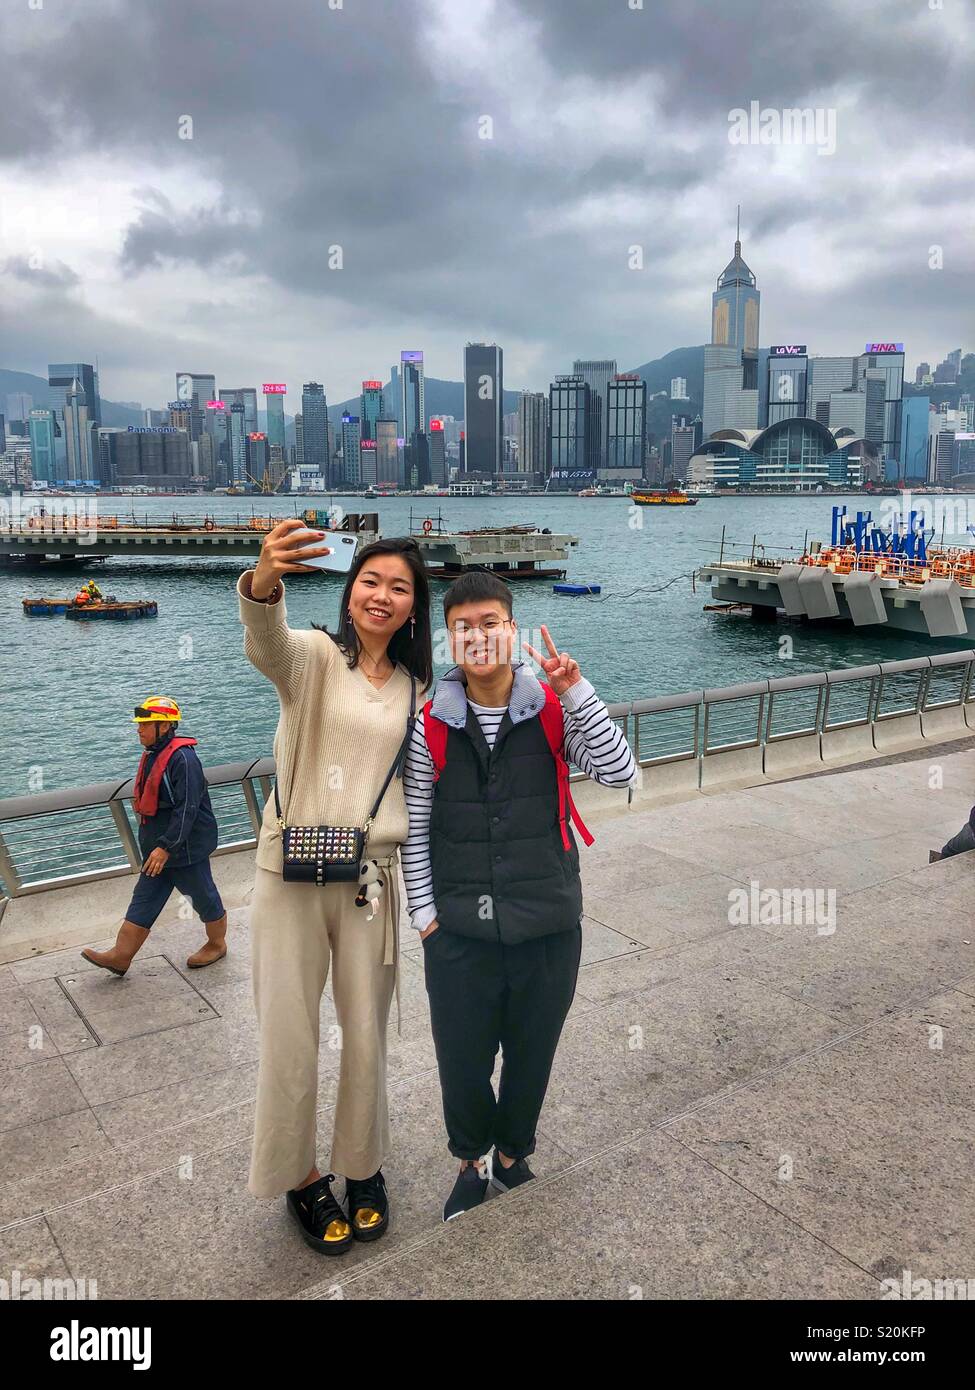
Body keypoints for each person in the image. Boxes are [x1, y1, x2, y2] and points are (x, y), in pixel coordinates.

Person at [402, 572, 638, 1221]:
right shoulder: (427, 727)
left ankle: (511, 1154)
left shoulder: (554, 709)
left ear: (511, 628)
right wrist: (423, 917)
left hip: (548, 923)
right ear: (449, 640)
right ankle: (470, 1161)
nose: (477, 636)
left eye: (489, 622)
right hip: (457, 931)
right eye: (463, 627)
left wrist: (578, 691)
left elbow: (623, 774)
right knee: (462, 1058)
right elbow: (415, 823)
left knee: (533, 1052)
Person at [238, 520, 432, 1255]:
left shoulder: (416, 689)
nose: (381, 596)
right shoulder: (315, 658)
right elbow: (265, 641)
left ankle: (363, 1166)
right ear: (351, 592)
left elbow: (423, 793)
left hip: (370, 883)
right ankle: (300, 1176)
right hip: (288, 876)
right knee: (288, 1034)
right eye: (370, 581)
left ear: (414, 607)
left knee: (365, 1034)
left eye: (399, 587)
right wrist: (263, 581)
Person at [81, 697, 228, 975]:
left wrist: (166, 847)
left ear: (165, 726)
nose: (139, 729)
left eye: (146, 724)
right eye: (140, 724)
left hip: (184, 850)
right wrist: (156, 849)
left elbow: (188, 809)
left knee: (203, 897)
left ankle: (217, 943)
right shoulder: (153, 754)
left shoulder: (184, 760)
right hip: (157, 850)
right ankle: (121, 956)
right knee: (144, 898)